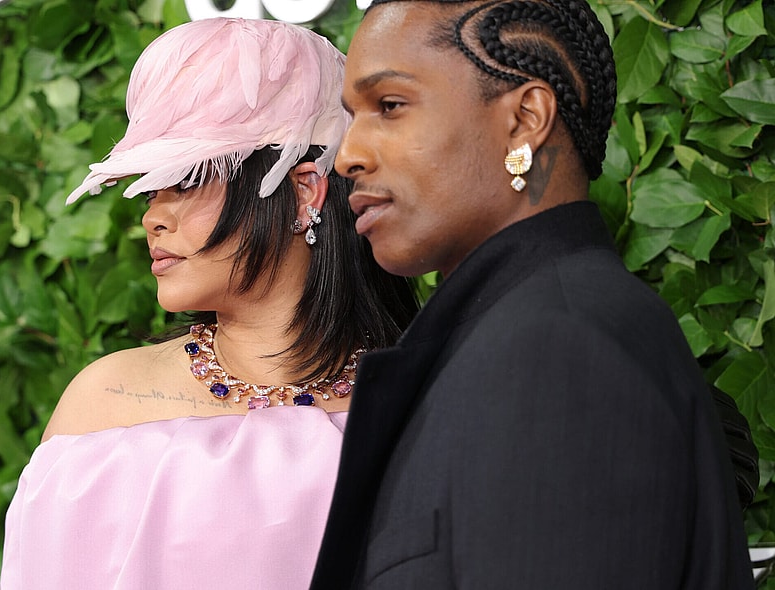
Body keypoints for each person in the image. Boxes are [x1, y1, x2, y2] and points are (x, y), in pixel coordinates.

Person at [309, 1, 754, 588]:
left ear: (525, 120)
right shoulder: (521, 332)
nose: (347, 156)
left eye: (389, 106)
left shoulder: (559, 349)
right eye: (352, 117)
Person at [1, 17, 419, 589]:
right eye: (151, 191)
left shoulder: (428, 391)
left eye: (188, 181)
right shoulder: (104, 406)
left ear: (303, 190)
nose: (153, 217)